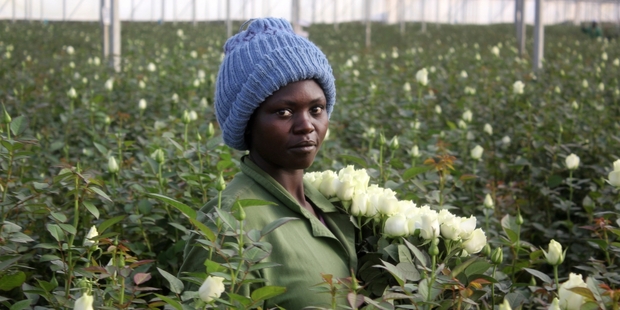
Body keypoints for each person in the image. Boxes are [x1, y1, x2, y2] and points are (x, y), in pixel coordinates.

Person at [180, 18, 357, 309]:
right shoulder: (230, 225)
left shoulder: (329, 203)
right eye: (284, 112)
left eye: (316, 109)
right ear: (247, 124)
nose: (306, 126)